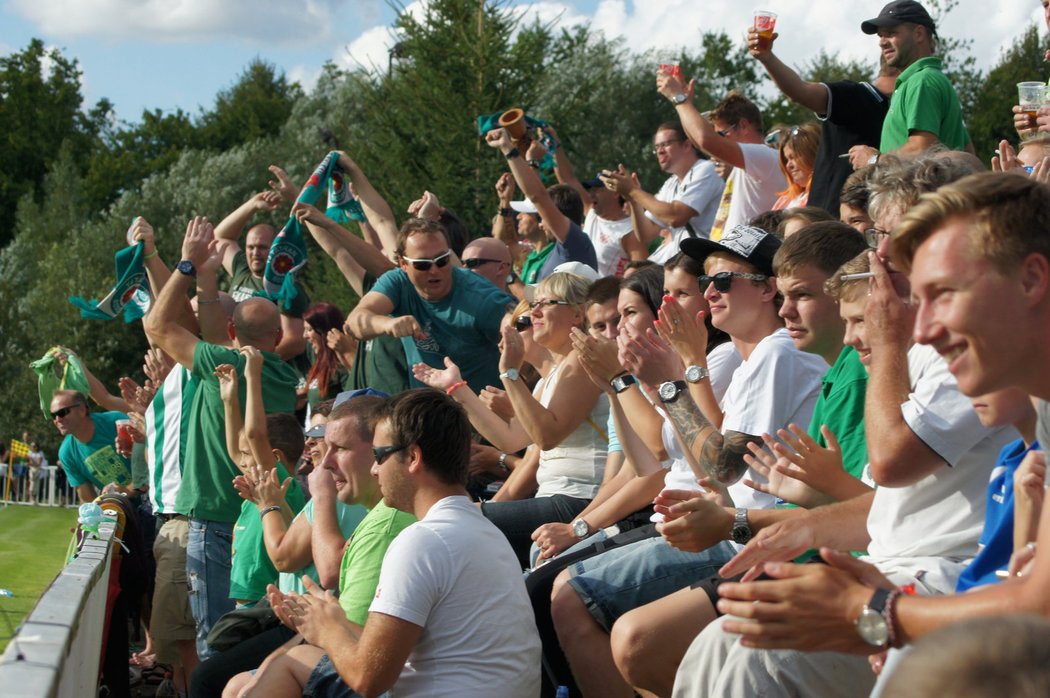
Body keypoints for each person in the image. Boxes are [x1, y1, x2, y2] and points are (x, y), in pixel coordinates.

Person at [687, 172, 1050, 684]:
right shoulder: (1033, 425)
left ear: (1032, 280)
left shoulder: (975, 374)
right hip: (926, 583)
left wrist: (879, 613)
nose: (920, 328)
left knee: (754, 655)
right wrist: (804, 528)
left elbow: (1034, 609)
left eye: (943, 293)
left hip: (938, 587)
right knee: (721, 645)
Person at [252, 389, 542, 697]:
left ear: (413, 457)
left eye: (379, 455)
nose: (375, 469)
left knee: (287, 664)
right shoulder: (484, 530)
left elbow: (368, 679)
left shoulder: (421, 541)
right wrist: (334, 620)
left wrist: (326, 630)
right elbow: (398, 653)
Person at [144, 216, 299, 659]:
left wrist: (189, 266)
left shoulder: (219, 366)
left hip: (214, 518)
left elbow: (157, 325)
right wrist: (208, 283)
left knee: (214, 643)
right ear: (278, 337)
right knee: (253, 639)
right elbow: (218, 332)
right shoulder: (285, 375)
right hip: (267, 516)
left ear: (233, 333)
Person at [346, 217, 514, 394]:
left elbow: (519, 322)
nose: (434, 270)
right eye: (422, 265)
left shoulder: (478, 297)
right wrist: (387, 324)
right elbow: (355, 323)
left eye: (442, 260)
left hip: (481, 407)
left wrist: (510, 326)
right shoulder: (398, 283)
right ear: (403, 264)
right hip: (432, 410)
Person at [748, 25, 897, 214]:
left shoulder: (894, 109)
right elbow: (802, 91)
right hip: (828, 227)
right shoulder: (859, 95)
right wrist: (767, 58)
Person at [656, 79, 786, 242]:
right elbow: (698, 141)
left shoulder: (764, 155)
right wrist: (684, 104)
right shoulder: (752, 161)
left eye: (722, 134)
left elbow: (705, 140)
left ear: (744, 126)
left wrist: (678, 98)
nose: (719, 140)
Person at [848, 0, 972, 167]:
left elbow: (923, 148)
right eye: (880, 35)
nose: (882, 42)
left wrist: (872, 159)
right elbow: (968, 152)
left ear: (919, 34)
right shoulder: (929, 79)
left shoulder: (921, 81)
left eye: (891, 33)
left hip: (921, 192)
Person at [486, 126, 598, 280]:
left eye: (541, 217)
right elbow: (504, 241)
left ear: (555, 216)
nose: (540, 223)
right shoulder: (558, 250)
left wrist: (508, 149)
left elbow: (538, 196)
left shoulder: (575, 243)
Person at [602, 121, 723, 260]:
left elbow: (676, 217)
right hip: (685, 261)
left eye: (666, 144)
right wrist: (633, 199)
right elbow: (646, 234)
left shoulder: (706, 169)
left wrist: (633, 191)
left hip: (705, 259)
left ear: (686, 145)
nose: (659, 151)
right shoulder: (670, 184)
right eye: (657, 147)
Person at [213, 186, 309, 360]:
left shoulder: (285, 285)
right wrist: (252, 205)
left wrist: (253, 364)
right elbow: (220, 238)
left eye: (262, 247)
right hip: (234, 360)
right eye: (250, 247)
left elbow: (295, 341)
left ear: (274, 250)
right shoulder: (241, 269)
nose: (255, 252)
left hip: (264, 370)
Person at [50, 389, 131, 503]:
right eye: (53, 415)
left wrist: (129, 489)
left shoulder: (116, 421)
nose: (58, 419)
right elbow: (88, 498)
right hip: (120, 510)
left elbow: (153, 457)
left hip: (156, 495)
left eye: (62, 412)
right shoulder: (66, 453)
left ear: (82, 410)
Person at [772, 123, 821, 210]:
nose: (788, 166)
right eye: (786, 160)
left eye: (793, 157)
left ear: (812, 154)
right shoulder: (785, 199)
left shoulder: (822, 197)